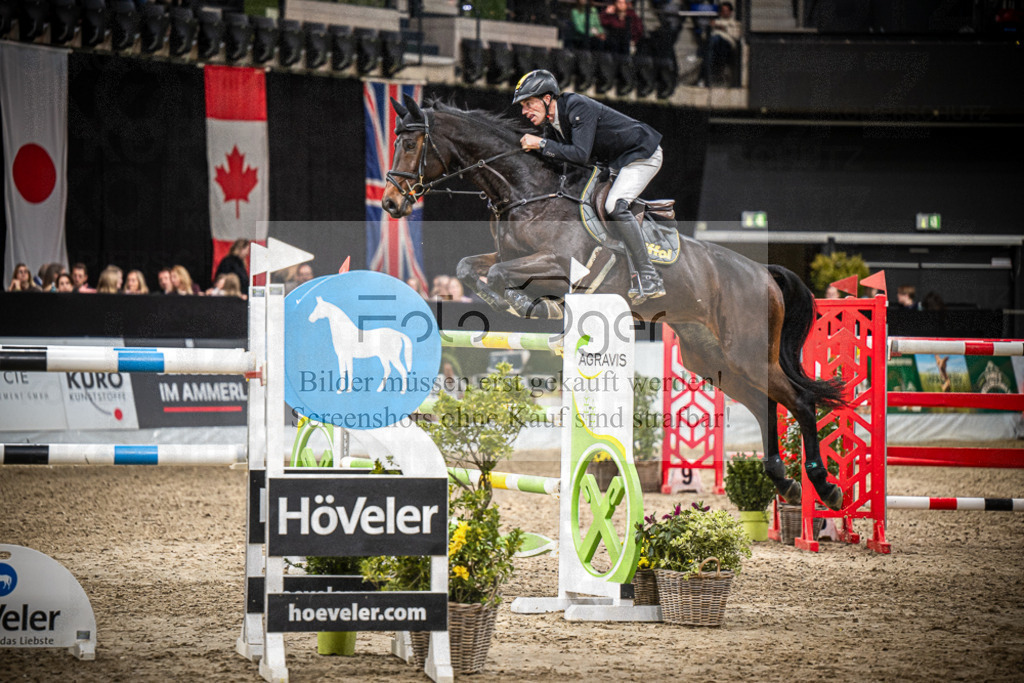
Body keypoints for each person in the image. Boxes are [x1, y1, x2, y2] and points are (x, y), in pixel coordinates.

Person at [515, 69, 666, 301]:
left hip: (641, 155)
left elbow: (580, 155)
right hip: (614, 163)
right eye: (522, 106)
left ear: (547, 99)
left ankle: (649, 276)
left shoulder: (577, 106)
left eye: (528, 103)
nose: (524, 111)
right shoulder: (552, 125)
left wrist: (541, 143)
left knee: (615, 205)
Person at [700, 1, 741, 86]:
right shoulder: (716, 21)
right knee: (710, 45)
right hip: (713, 45)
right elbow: (704, 36)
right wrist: (710, 27)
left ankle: (711, 74)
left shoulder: (734, 23)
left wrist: (724, 29)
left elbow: (737, 36)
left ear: (730, 12)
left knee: (716, 40)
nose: (724, 13)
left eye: (726, 11)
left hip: (726, 45)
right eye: (723, 11)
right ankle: (707, 76)